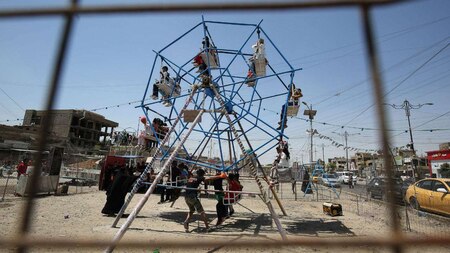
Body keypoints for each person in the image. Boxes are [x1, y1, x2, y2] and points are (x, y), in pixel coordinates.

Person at [183, 168, 210, 233]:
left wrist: (197, 189)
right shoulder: (199, 178)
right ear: (202, 174)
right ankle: (207, 227)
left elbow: (189, 186)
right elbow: (208, 179)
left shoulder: (191, 178)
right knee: (202, 212)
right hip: (193, 197)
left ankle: (186, 222)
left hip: (186, 197)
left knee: (191, 210)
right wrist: (220, 176)